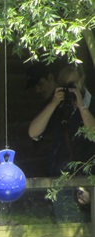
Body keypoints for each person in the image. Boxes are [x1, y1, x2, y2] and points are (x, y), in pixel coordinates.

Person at [28, 64, 95, 221]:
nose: (69, 90)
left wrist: (81, 107)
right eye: (65, 86)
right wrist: (53, 103)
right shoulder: (57, 107)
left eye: (72, 85)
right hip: (64, 179)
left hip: (91, 178)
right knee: (69, 232)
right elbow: (33, 132)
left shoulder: (91, 103)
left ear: (82, 79)